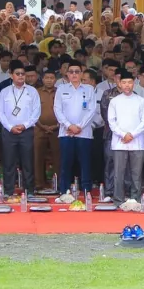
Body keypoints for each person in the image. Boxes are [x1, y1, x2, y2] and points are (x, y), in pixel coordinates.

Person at [0, 60, 40, 197]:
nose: (21, 76)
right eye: (17, 74)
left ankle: (29, 191)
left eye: (23, 74)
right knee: (9, 163)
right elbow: (0, 113)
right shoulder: (4, 92)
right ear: (11, 75)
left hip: (26, 131)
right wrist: (10, 127)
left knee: (28, 162)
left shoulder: (32, 91)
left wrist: (25, 125)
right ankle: (9, 191)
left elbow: (36, 112)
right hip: (9, 132)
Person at [55, 61, 96, 194]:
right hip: (65, 132)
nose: (74, 74)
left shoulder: (89, 89)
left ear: (81, 73)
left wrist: (79, 126)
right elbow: (57, 109)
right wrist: (69, 125)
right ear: (67, 74)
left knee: (85, 164)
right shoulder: (61, 89)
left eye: (77, 72)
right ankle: (64, 192)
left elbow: (91, 110)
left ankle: (86, 191)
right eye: (71, 72)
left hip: (84, 133)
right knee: (66, 164)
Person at [108, 71, 144, 203]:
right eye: (124, 82)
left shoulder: (141, 101)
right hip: (119, 142)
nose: (127, 85)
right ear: (119, 83)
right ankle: (118, 199)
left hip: (137, 142)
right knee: (119, 173)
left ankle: (135, 199)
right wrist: (123, 134)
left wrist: (132, 135)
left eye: (129, 82)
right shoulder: (114, 101)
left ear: (134, 84)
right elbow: (111, 121)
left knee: (136, 174)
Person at [35, 69, 61, 190]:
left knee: (58, 158)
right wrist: (42, 126)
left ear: (55, 80)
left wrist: (56, 125)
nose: (49, 80)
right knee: (38, 157)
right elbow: (32, 112)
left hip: (58, 128)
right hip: (39, 128)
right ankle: (39, 184)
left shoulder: (60, 92)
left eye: (52, 78)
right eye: (47, 78)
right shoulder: (37, 92)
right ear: (42, 79)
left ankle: (57, 184)